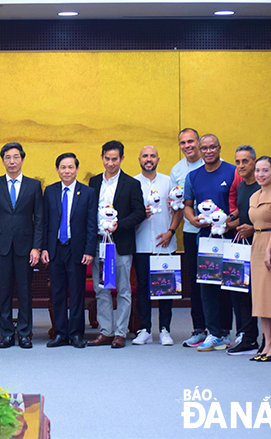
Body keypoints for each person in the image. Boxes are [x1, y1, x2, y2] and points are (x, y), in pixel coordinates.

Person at [183, 134, 241, 352]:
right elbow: (187, 204)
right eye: (204, 148)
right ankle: (213, 332)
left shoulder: (232, 172)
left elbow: (241, 204)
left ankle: (229, 331)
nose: (208, 151)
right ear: (199, 149)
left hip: (230, 237)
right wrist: (191, 219)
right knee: (207, 287)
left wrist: (230, 223)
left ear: (219, 148)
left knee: (231, 286)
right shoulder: (193, 176)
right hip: (206, 239)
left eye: (212, 147)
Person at [87, 141, 146, 349]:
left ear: (121, 159)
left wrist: (118, 225)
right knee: (101, 289)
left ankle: (120, 333)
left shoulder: (131, 184)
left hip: (120, 244)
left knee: (122, 290)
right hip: (98, 245)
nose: (110, 163)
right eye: (107, 158)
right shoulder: (93, 182)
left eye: (115, 159)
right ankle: (105, 332)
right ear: (102, 157)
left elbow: (139, 213)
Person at [0, 142, 43, 349]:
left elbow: (40, 218)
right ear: (3, 161)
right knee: (5, 291)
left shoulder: (34, 185)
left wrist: (36, 247)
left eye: (16, 157)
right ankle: (7, 333)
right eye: (8, 157)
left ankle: (25, 333)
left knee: (25, 291)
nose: (12, 161)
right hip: (1, 248)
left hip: (26, 247)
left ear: (22, 159)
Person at [41, 153, 97, 348]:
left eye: (70, 167)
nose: (67, 171)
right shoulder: (49, 191)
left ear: (77, 169)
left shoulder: (88, 193)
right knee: (57, 293)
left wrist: (90, 250)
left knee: (76, 293)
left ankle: (76, 334)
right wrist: (44, 248)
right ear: (57, 170)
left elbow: (92, 224)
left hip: (77, 249)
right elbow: (45, 222)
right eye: (63, 167)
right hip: (55, 248)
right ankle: (60, 333)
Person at [132, 146, 182, 346]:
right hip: (141, 242)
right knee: (143, 287)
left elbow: (178, 209)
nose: (149, 159)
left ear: (158, 159)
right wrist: (140, 214)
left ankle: (165, 330)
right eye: (145, 156)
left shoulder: (169, 182)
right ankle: (144, 329)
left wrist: (171, 230)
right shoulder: (133, 183)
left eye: (152, 156)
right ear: (139, 159)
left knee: (166, 289)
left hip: (165, 243)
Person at [170, 128, 207, 348]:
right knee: (195, 281)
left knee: (218, 282)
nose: (188, 146)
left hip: (216, 233)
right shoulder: (177, 169)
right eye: (183, 143)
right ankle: (199, 329)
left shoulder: (215, 165)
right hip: (192, 232)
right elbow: (180, 204)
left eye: (191, 141)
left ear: (199, 143)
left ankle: (220, 329)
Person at [225, 145, 260, 356]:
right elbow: (243, 213)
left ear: (254, 162)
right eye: (237, 162)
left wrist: (253, 229)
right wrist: (227, 222)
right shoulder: (241, 187)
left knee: (256, 295)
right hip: (241, 246)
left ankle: (256, 338)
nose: (241, 166)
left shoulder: (262, 186)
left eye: (245, 161)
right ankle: (246, 336)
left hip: (259, 246)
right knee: (239, 293)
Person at [249, 156, 271, 362]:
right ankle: (267, 343)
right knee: (260, 298)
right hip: (256, 243)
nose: (260, 174)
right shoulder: (254, 195)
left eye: (265, 170)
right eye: (258, 170)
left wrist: (270, 250)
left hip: (270, 244)